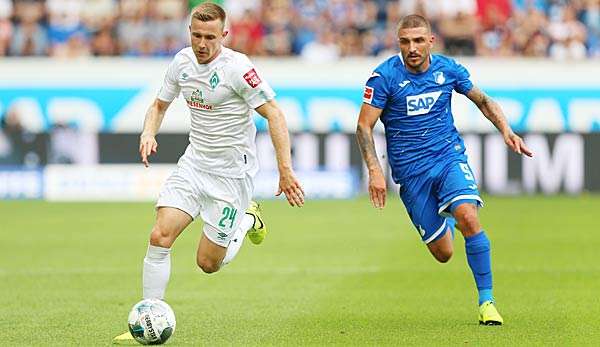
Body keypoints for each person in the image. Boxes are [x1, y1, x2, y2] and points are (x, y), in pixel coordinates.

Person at [114, 3, 304, 342]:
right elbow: (159, 105)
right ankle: (147, 316)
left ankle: (248, 219)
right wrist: (148, 132)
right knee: (160, 236)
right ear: (189, 32)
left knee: (208, 263)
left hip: (231, 177)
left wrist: (285, 171)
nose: (203, 44)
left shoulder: (238, 69)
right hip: (194, 164)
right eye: (197, 35)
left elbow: (274, 114)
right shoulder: (182, 62)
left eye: (210, 37)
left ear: (224, 35)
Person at [355, 14, 533, 325]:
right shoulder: (383, 77)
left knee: (468, 216)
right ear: (398, 43)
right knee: (443, 253)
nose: (412, 48)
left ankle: (487, 301)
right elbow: (364, 126)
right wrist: (374, 171)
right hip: (411, 174)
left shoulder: (447, 69)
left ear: (430, 42)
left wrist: (506, 129)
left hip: (448, 157)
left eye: (418, 41)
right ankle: (444, 216)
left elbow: (483, 100)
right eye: (406, 42)